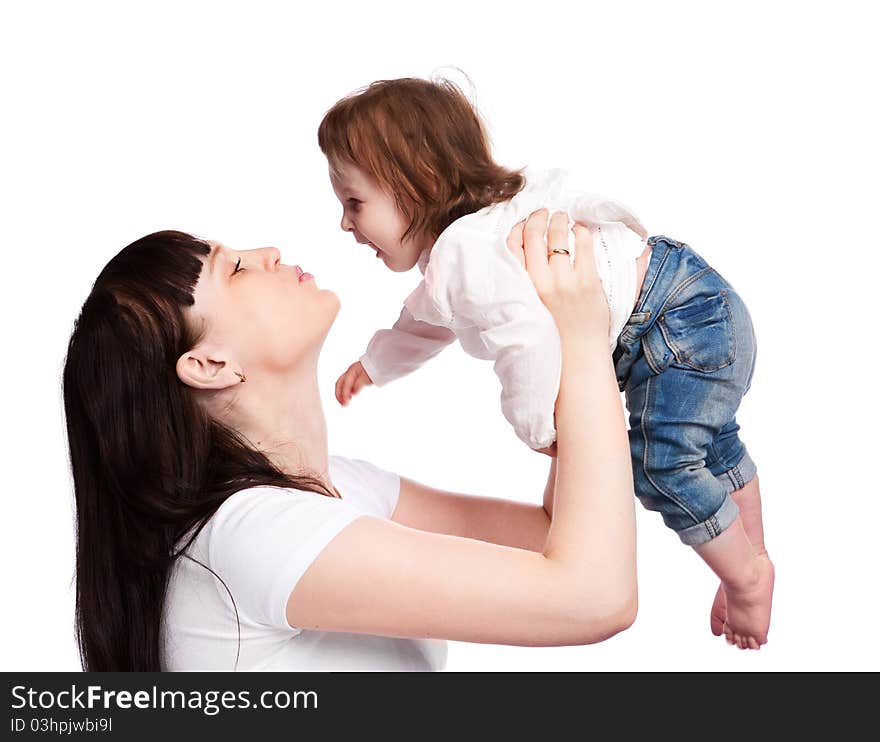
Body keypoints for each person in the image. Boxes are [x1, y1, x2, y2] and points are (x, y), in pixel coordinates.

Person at [62, 210, 637, 671]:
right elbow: (595, 598)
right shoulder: (252, 533)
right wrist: (582, 337)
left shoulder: (337, 489)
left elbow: (548, 535)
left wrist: (571, 332)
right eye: (234, 270)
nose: (268, 253)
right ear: (211, 364)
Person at [320, 77, 773, 650]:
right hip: (688, 304)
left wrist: (538, 425)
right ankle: (749, 556)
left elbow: (528, 338)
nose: (344, 223)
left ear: (420, 184)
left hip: (674, 322)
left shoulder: (467, 255)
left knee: (662, 466)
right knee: (716, 448)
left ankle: (746, 576)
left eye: (354, 202)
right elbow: (427, 321)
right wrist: (376, 364)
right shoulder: (467, 246)